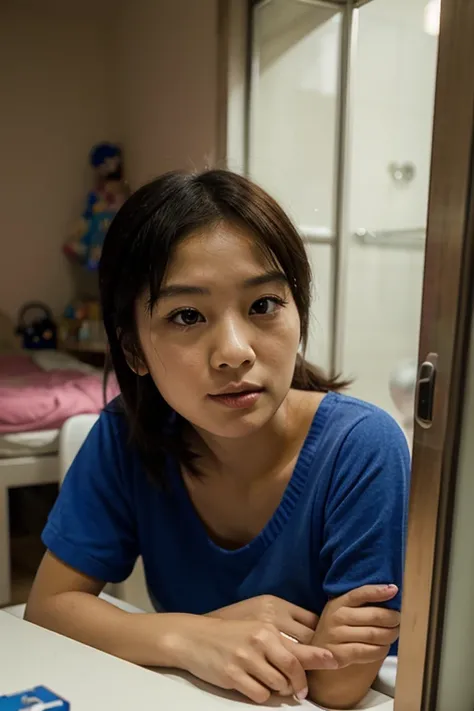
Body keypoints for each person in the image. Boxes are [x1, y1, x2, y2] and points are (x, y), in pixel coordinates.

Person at [26, 170, 410, 709]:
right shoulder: (127, 434)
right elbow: (49, 608)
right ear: (133, 349)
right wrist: (195, 636)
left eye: (263, 305)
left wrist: (201, 634)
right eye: (187, 315)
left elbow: (340, 686)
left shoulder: (362, 447)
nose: (234, 352)